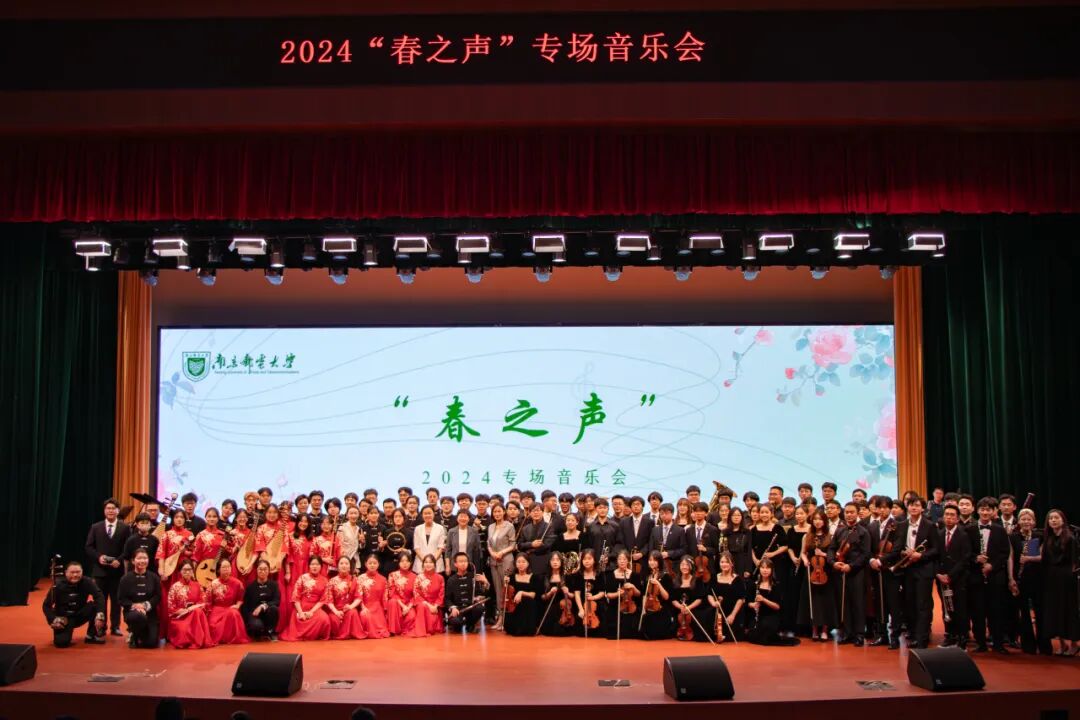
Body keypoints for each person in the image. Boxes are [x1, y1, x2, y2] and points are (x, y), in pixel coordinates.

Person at [884, 496, 941, 649]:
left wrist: (920, 555)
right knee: (910, 604)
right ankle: (914, 634)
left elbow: (936, 549)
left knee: (922, 605)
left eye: (917, 505)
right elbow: (898, 546)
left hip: (924, 569)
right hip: (907, 569)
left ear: (922, 508)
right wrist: (904, 552)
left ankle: (922, 639)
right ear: (907, 507)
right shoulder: (901, 525)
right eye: (911, 505)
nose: (914, 508)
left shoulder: (929, 525)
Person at [968, 496, 1011, 653]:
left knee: (996, 611)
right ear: (977, 510)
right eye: (982, 509)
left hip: (995, 576)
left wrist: (992, 565)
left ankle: (998, 643)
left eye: (988, 510)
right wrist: (976, 558)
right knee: (978, 612)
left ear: (994, 511)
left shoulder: (1000, 530)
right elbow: (965, 552)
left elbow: (1004, 553)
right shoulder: (970, 529)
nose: (985, 512)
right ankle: (981, 643)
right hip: (976, 576)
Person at [84, 497, 130, 636]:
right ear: (104, 511)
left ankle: (115, 626)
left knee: (116, 601)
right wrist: (99, 557)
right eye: (108, 508)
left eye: (113, 508)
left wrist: (119, 560)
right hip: (100, 571)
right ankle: (101, 626)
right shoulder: (96, 527)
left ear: (118, 511)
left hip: (117, 571)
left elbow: (128, 548)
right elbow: (88, 547)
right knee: (100, 600)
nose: (110, 511)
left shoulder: (125, 528)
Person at [1011, 508, 1051, 654]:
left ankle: (1044, 644)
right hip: (1021, 578)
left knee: (1040, 611)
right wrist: (1011, 578)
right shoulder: (1013, 537)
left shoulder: (1040, 536)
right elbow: (1010, 558)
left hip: (1038, 578)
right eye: (1023, 519)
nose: (1026, 522)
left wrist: (1029, 558)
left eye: (1029, 519)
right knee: (1024, 613)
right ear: (1019, 521)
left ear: (1034, 522)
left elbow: (1044, 556)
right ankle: (1028, 645)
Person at [829, 502, 870, 646]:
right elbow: (832, 548)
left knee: (857, 603)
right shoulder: (840, 530)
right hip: (840, 570)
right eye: (847, 512)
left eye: (852, 512)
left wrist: (851, 566)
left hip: (856, 572)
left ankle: (859, 634)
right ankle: (847, 632)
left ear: (857, 513)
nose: (849, 515)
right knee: (844, 603)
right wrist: (833, 562)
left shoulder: (863, 532)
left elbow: (865, 554)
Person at [1041, 509, 1079, 656]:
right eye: (1050, 518)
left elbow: (1074, 562)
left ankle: (1074, 644)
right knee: (1055, 610)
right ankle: (1062, 644)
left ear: (1063, 520)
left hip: (1066, 578)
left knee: (1068, 610)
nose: (1053, 520)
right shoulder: (1048, 538)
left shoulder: (1070, 538)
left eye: (1056, 518)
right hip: (1051, 578)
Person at [43, 560, 106, 647]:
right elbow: (46, 605)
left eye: (78, 572)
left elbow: (99, 596)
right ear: (66, 573)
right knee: (61, 643)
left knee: (95, 606)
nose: (75, 575)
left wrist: (100, 614)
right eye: (72, 572)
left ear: (82, 572)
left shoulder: (87, 581)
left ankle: (91, 635)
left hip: (79, 615)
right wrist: (53, 619)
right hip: (64, 619)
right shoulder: (58, 585)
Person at [798, 509, 837, 642]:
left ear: (824, 521)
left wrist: (823, 554)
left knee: (825, 601)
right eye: (815, 519)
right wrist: (805, 560)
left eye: (820, 519)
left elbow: (834, 555)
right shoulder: (807, 536)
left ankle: (825, 630)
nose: (817, 522)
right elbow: (803, 552)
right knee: (813, 601)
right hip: (811, 571)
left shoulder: (830, 536)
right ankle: (814, 629)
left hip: (826, 572)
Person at [936, 503, 971, 649]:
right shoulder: (938, 534)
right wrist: (939, 574)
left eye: (952, 515)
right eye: (947, 515)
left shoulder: (964, 535)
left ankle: (962, 638)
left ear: (957, 519)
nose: (949, 518)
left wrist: (950, 575)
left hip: (958, 578)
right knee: (946, 608)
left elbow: (965, 558)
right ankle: (950, 635)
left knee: (960, 608)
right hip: (941, 578)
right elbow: (935, 555)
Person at [281, 556, 332, 641]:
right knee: (300, 618)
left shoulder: (325, 580)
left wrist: (311, 612)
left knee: (325, 619)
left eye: (317, 564)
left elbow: (323, 600)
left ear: (321, 566)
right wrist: (300, 612)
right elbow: (295, 597)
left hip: (315, 608)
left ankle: (313, 636)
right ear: (309, 566)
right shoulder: (302, 578)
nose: (315, 566)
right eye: (312, 564)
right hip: (301, 606)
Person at [166, 560, 215, 649]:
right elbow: (170, 607)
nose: (187, 572)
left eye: (189, 570)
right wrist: (179, 611)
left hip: (195, 616)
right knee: (184, 630)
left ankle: (198, 640)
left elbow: (203, 602)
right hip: (181, 617)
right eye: (184, 570)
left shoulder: (197, 585)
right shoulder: (174, 587)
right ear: (180, 571)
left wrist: (191, 609)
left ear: (192, 571)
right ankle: (197, 640)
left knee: (197, 611)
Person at [118, 549, 161, 648]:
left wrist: (145, 606)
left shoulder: (154, 577)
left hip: (150, 612)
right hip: (132, 613)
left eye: (145, 558)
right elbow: (121, 599)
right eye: (139, 558)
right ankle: (134, 633)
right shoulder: (125, 579)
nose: (142, 561)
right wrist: (135, 606)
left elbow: (157, 596)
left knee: (152, 643)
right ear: (133, 561)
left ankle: (137, 635)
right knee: (138, 616)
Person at [747, 559, 796, 645]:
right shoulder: (754, 584)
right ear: (759, 569)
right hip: (758, 616)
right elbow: (748, 602)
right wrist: (753, 605)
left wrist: (764, 600)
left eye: (767, 568)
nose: (765, 570)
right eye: (762, 567)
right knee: (752, 634)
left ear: (772, 570)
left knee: (765, 630)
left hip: (772, 616)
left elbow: (777, 607)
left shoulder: (776, 585)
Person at [203, 558, 248, 645]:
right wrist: (208, 613)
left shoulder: (237, 583)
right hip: (217, 610)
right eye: (224, 567)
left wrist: (237, 605)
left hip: (230, 608)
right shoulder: (213, 583)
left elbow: (241, 598)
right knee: (213, 627)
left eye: (228, 567)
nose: (226, 569)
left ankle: (231, 638)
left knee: (234, 613)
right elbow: (208, 602)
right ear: (218, 570)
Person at [486, 502, 517, 629]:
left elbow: (513, 544)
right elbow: (488, 544)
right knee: (498, 590)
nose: (497, 514)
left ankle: (506, 619)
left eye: (499, 511)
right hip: (494, 560)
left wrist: (501, 552)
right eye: (495, 511)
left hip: (506, 560)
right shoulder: (491, 526)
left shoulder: (509, 526)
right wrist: (492, 553)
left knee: (506, 590)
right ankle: (499, 618)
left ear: (504, 512)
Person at [445, 552, 488, 633]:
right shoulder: (451, 580)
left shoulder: (473, 577)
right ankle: (461, 623)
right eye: (461, 561)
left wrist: (485, 582)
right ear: (455, 564)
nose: (463, 563)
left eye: (465, 561)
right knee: (456, 623)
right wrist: (453, 608)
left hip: (470, 608)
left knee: (480, 608)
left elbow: (482, 593)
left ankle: (470, 624)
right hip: (458, 609)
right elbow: (447, 599)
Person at [326, 557, 367, 640]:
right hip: (336, 610)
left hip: (349, 608)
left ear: (349, 566)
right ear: (337, 566)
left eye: (346, 563)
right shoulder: (332, 581)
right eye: (341, 563)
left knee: (353, 612)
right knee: (333, 619)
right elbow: (329, 600)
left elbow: (359, 597)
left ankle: (351, 633)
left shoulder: (355, 580)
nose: (344, 565)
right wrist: (336, 612)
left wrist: (350, 606)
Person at [604, 549, 641, 640]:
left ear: (628, 561)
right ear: (617, 561)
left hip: (630, 606)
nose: (622, 561)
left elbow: (639, 594)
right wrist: (617, 594)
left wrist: (633, 587)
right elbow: (608, 595)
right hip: (615, 607)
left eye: (624, 559)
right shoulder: (610, 575)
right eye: (620, 559)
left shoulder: (635, 575)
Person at [709, 552, 745, 643]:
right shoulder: (714, 577)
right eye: (722, 562)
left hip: (731, 612)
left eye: (727, 562)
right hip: (717, 611)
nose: (724, 564)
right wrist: (713, 603)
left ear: (732, 564)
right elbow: (709, 594)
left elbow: (741, 599)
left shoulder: (737, 579)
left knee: (731, 636)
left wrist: (733, 615)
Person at [537, 552, 576, 636]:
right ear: (549, 562)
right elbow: (542, 597)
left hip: (565, 607)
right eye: (553, 560)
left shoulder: (567, 577)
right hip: (549, 606)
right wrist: (550, 592)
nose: (555, 562)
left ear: (561, 562)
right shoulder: (544, 577)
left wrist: (567, 592)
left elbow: (573, 596)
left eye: (557, 560)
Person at [571, 549, 607, 638]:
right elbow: (577, 594)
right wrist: (581, 609)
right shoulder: (578, 575)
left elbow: (602, 592)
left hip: (597, 602)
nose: (586, 561)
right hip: (582, 603)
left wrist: (593, 597)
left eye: (589, 558)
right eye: (584, 559)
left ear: (594, 560)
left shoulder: (600, 574)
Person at [242, 559, 281, 641]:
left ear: (269, 570)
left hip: (268, 612)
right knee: (256, 626)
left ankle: (270, 632)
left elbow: (276, 601)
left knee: (274, 609)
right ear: (256, 570)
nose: (262, 571)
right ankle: (258, 632)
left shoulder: (274, 585)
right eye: (260, 569)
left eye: (265, 569)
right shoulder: (250, 587)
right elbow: (246, 606)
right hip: (255, 614)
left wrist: (262, 606)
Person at [639, 551, 675, 640]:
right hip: (650, 607)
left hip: (662, 608)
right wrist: (644, 609)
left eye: (655, 560)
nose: (652, 562)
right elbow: (645, 595)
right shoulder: (648, 576)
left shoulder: (666, 576)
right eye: (650, 560)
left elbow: (667, 597)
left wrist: (658, 584)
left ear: (659, 562)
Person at [672, 556, 709, 642]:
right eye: (682, 565)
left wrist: (689, 608)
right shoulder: (675, 580)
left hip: (693, 609)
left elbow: (699, 599)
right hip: (679, 610)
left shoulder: (697, 580)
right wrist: (680, 607)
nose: (684, 567)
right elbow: (672, 599)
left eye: (687, 565)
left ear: (691, 567)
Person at [504, 553, 541, 636]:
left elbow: (533, 595)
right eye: (518, 562)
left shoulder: (534, 577)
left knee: (528, 601)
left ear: (528, 563)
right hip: (514, 605)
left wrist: (521, 593)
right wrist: (506, 584)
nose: (521, 564)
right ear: (515, 564)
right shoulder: (511, 577)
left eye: (523, 562)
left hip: (529, 607)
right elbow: (507, 594)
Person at [411, 554, 446, 637]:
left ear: (434, 564)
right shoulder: (419, 577)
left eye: (430, 562)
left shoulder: (440, 578)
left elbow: (441, 594)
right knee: (421, 606)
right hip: (423, 604)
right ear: (423, 564)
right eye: (426, 562)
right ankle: (421, 631)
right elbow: (416, 593)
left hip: (435, 607)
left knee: (433, 624)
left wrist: (435, 606)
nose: (428, 564)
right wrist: (428, 605)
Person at [517, 503, 555, 575]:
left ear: (542, 512)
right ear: (530, 513)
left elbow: (548, 544)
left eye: (538, 510)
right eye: (533, 511)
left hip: (543, 560)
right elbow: (520, 545)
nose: (536, 513)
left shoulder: (548, 526)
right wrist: (531, 544)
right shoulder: (525, 528)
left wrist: (530, 549)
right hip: (527, 561)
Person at [618, 496, 654, 570]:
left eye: (638, 504)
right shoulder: (623, 522)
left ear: (642, 507)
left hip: (644, 559)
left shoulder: (650, 522)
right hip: (627, 560)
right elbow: (621, 540)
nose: (636, 506)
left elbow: (651, 541)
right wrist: (627, 554)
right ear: (630, 507)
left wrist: (642, 553)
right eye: (633, 504)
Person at [650, 503, 686, 576]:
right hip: (657, 566)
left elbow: (683, 549)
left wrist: (669, 554)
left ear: (672, 514)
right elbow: (651, 548)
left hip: (673, 566)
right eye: (661, 513)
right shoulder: (655, 530)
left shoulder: (680, 530)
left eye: (666, 513)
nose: (664, 515)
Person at [386, 551, 417, 636]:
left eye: (407, 561)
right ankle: (393, 630)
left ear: (410, 563)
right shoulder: (392, 575)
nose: (405, 563)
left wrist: (408, 607)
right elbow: (392, 593)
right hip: (397, 603)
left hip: (408, 604)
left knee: (412, 617)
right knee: (392, 602)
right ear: (398, 562)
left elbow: (415, 595)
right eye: (402, 561)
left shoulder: (415, 577)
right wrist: (403, 606)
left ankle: (402, 629)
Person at [412, 506, 448, 573]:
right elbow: (416, 547)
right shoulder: (418, 528)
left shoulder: (440, 528)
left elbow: (440, 547)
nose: (427, 515)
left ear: (433, 514)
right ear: (422, 515)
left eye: (429, 513)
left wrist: (431, 562)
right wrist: (425, 561)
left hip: (436, 563)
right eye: (425, 513)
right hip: (420, 564)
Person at [447, 509, 483, 574]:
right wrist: (447, 566)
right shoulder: (451, 531)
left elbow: (477, 551)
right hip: (455, 565)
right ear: (457, 518)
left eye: (465, 516)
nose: (463, 518)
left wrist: (477, 569)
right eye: (461, 516)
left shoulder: (474, 532)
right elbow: (448, 550)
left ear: (469, 519)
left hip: (470, 565)